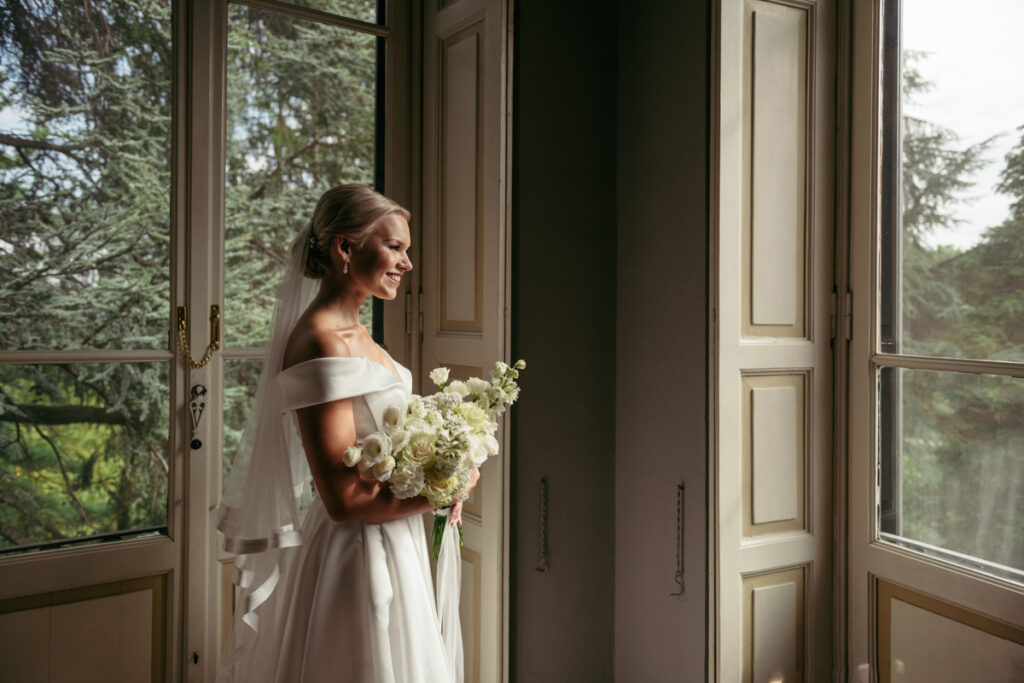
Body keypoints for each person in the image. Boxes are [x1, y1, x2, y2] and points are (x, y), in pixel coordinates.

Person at [217, 184, 476, 683]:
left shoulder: (358, 335)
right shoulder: (320, 342)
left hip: (395, 542)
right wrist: (446, 489)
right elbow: (344, 501)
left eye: (407, 250)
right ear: (345, 248)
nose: (407, 263)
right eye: (395, 247)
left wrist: (441, 470)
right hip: (358, 556)